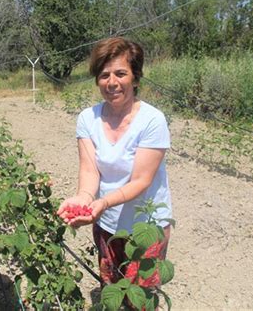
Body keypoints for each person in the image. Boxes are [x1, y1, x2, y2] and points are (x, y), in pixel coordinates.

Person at [57, 37, 172, 285]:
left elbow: (141, 181)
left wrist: (103, 202)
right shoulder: (88, 119)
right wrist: (84, 199)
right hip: (107, 224)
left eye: (121, 73)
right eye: (104, 75)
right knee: (112, 288)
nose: (112, 82)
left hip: (146, 228)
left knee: (140, 295)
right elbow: (89, 171)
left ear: (135, 77)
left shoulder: (152, 120)